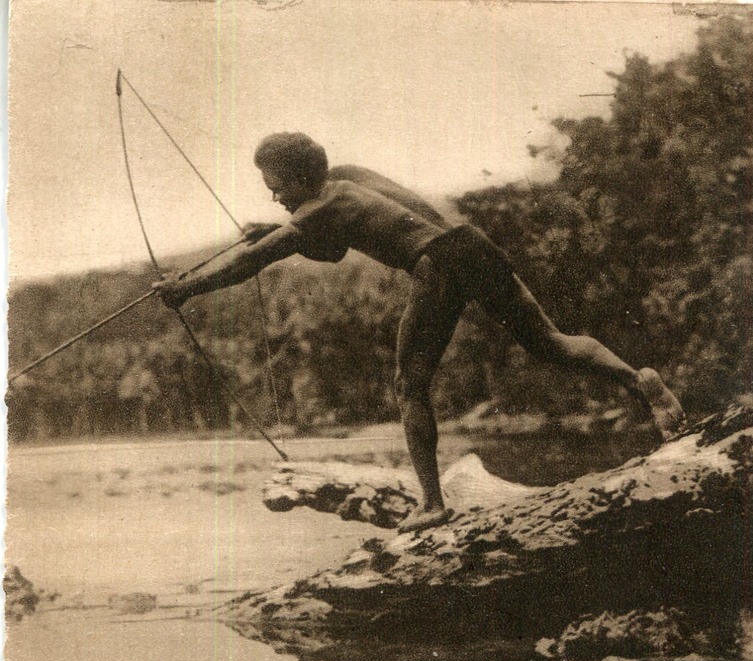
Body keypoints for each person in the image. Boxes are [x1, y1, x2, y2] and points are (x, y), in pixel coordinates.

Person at [155, 132, 686, 533]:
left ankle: (432, 504)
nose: (274, 199)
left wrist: (185, 288)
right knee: (551, 341)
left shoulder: (317, 209)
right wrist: (281, 229)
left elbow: (252, 263)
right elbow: (334, 245)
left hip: (438, 266)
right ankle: (642, 382)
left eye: (276, 190)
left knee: (410, 386)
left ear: (296, 179)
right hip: (471, 245)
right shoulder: (348, 176)